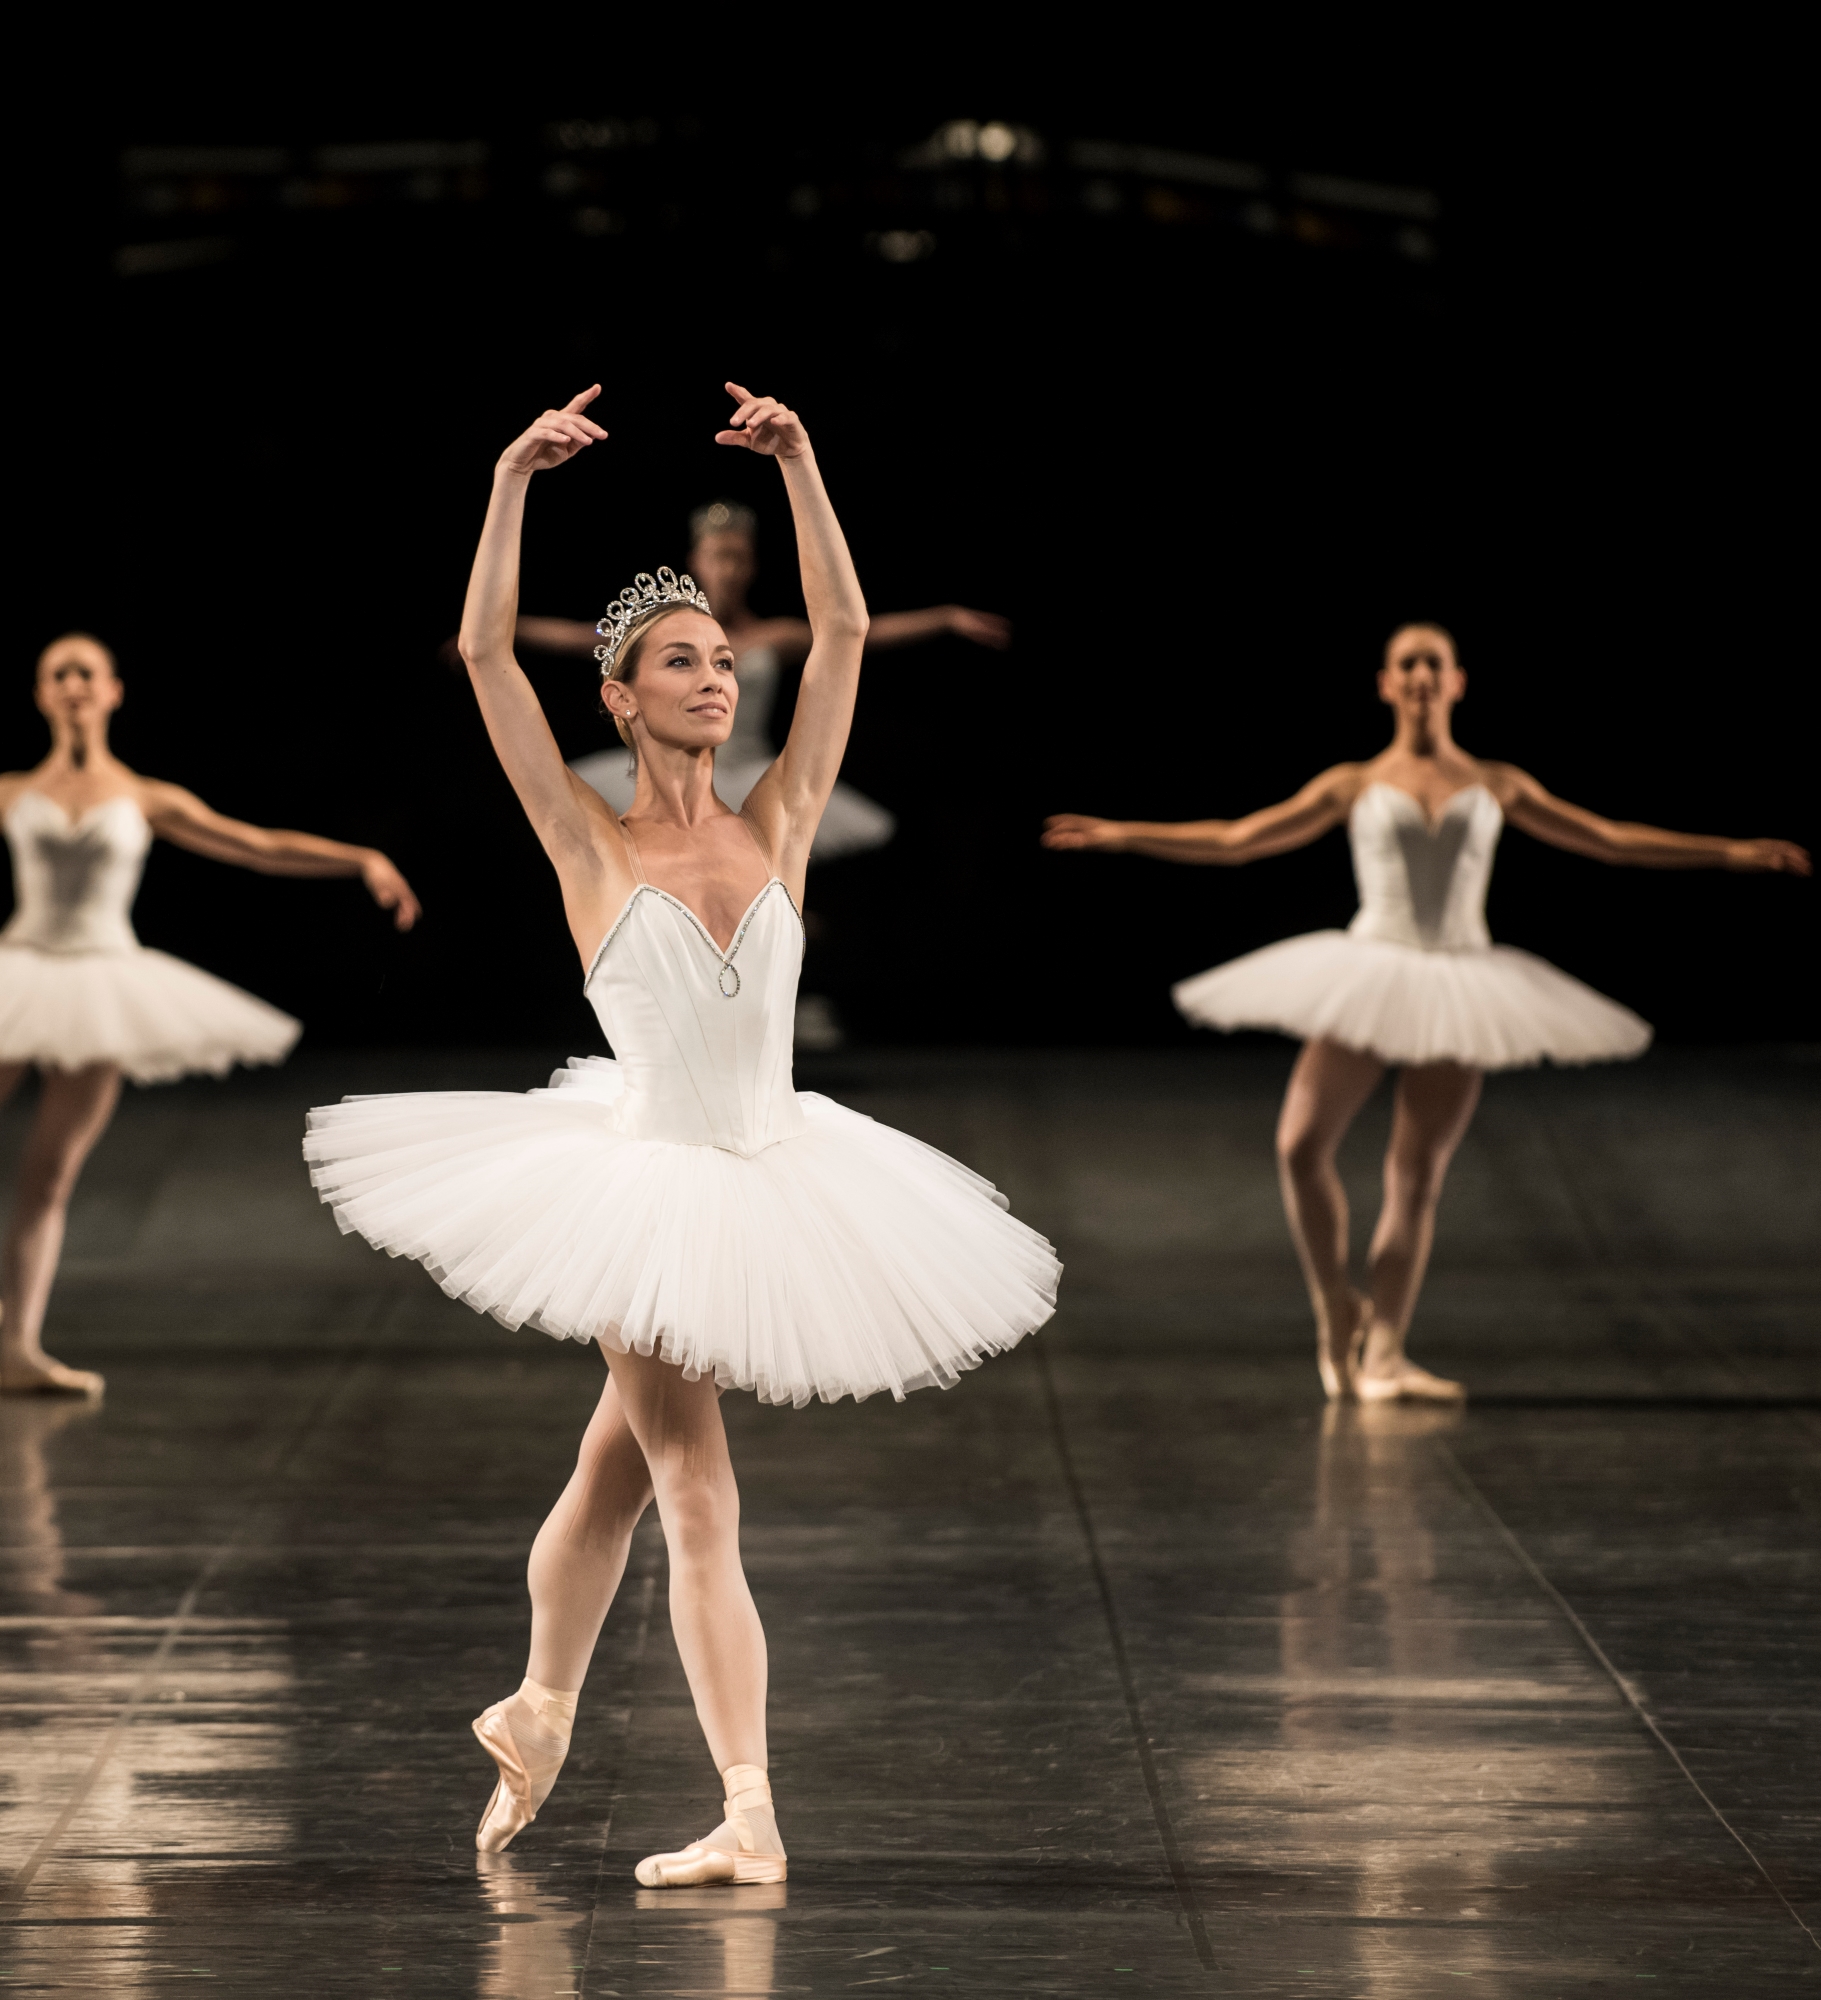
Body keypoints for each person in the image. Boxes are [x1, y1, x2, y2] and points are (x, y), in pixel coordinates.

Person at [304, 384, 1059, 1886]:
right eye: (680, 663)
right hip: (646, 1184)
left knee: (617, 1472)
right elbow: (475, 653)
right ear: (621, 696)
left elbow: (838, 638)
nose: (715, 677)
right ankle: (749, 1810)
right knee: (695, 1485)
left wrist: (804, 465)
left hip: (772, 1166)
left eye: (720, 658)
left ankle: (538, 1706)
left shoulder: (777, 822)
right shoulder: (590, 841)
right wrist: (511, 474)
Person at [1042, 622, 1809, 1403]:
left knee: (1415, 1174)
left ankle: (1385, 1353)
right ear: (1383, 683)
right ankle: (1334, 1306)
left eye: (1431, 664)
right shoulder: (1350, 783)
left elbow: (1607, 840)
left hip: (1460, 977)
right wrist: (1124, 834)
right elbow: (1240, 839)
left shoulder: (1498, 782)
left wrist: (1727, 851)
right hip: (1370, 967)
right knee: (1299, 1144)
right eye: (1405, 663)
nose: (1417, 675)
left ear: (1455, 682)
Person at [0, 634, 420, 1397]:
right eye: (56, 673)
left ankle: (16, 1343)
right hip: (18, 968)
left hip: (102, 980)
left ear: (113, 692)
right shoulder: (10, 790)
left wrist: (356, 858)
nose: (71, 685)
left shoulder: (144, 797)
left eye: (84, 673)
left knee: (50, 1175)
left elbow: (255, 847)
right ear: (39, 694)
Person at [518, 495, 1010, 852]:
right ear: (696, 562)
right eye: (718, 557)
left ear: (751, 566)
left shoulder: (772, 637)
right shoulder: (663, 634)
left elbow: (859, 633)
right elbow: (583, 636)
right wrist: (501, 632)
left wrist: (945, 617)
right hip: (676, 770)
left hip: (751, 773)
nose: (728, 570)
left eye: (738, 558)